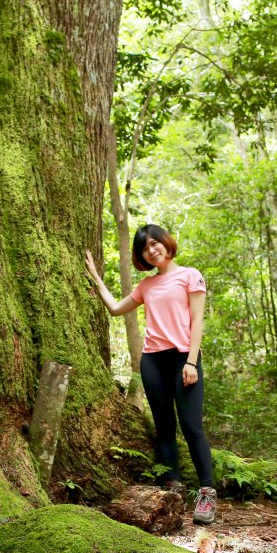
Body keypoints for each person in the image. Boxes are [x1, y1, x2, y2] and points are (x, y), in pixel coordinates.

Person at [85, 224, 216, 524]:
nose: (152, 250)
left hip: (184, 357)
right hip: (153, 362)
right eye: (145, 248)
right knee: (164, 428)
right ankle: (173, 489)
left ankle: (207, 494)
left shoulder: (190, 275)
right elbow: (117, 309)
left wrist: (192, 362)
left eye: (155, 243)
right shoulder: (146, 285)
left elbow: (197, 323)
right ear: (142, 255)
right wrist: (97, 279)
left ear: (166, 244)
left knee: (192, 426)